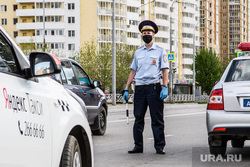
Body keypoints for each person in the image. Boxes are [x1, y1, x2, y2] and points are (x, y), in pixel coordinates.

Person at [123, 20, 169, 155]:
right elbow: (133, 71)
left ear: (153, 35)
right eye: (144, 33)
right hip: (140, 89)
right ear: (141, 35)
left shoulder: (160, 51)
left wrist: (165, 87)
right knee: (138, 118)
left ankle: (159, 146)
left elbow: (165, 70)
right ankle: (138, 146)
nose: (146, 35)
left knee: (157, 119)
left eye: (149, 33)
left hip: (154, 88)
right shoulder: (138, 52)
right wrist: (126, 88)